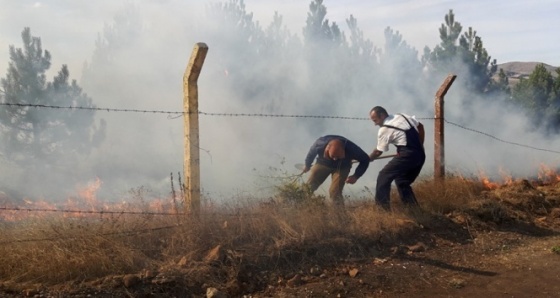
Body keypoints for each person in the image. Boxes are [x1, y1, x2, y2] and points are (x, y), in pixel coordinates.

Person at [369, 106, 425, 211]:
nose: (375, 124)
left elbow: (378, 151)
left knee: (384, 175)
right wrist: (419, 145)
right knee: (402, 180)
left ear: (382, 115)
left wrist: (368, 158)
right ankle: (414, 210)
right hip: (420, 154)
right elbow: (420, 126)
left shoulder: (384, 129)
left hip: (407, 156)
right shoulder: (402, 116)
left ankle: (382, 210)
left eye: (375, 120)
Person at [302, 135, 370, 206]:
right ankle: (300, 205)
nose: (335, 159)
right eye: (333, 156)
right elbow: (311, 154)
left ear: (343, 150)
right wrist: (307, 165)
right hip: (323, 163)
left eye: (338, 156)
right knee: (308, 188)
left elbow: (365, 160)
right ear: (327, 148)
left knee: (335, 191)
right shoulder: (320, 143)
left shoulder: (352, 148)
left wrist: (356, 176)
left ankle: (339, 214)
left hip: (342, 167)